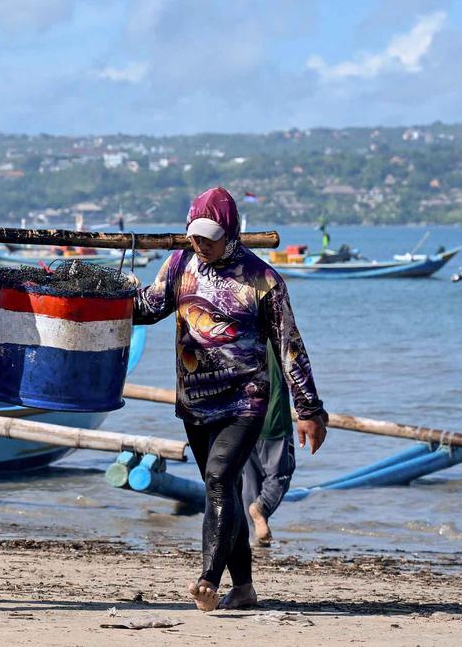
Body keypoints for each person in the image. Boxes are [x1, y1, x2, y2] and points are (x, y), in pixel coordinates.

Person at [133, 186, 327, 612]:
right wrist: (100, 298)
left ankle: (208, 580)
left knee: (219, 479)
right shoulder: (180, 264)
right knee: (223, 488)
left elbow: (289, 346)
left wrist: (309, 409)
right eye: (195, 236)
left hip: (245, 400)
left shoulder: (263, 280)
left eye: (210, 237)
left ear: (231, 234)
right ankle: (244, 588)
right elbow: (146, 308)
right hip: (195, 402)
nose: (200, 245)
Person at [241, 347, 294, 547]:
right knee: (280, 475)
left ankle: (254, 539)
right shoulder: (279, 339)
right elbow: (298, 373)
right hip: (273, 419)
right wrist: (314, 407)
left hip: (243, 418)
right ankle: (262, 508)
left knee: (250, 479)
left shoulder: (241, 335)